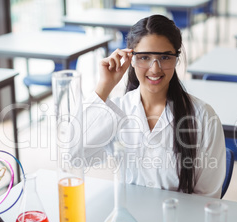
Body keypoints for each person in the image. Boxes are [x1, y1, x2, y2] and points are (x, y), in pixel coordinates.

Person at [83, 14, 226, 198]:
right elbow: (74, 154)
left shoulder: (204, 118)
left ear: (176, 59)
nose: (155, 68)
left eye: (165, 57)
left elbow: (207, 199)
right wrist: (104, 87)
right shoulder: (118, 110)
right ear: (131, 58)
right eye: (144, 57)